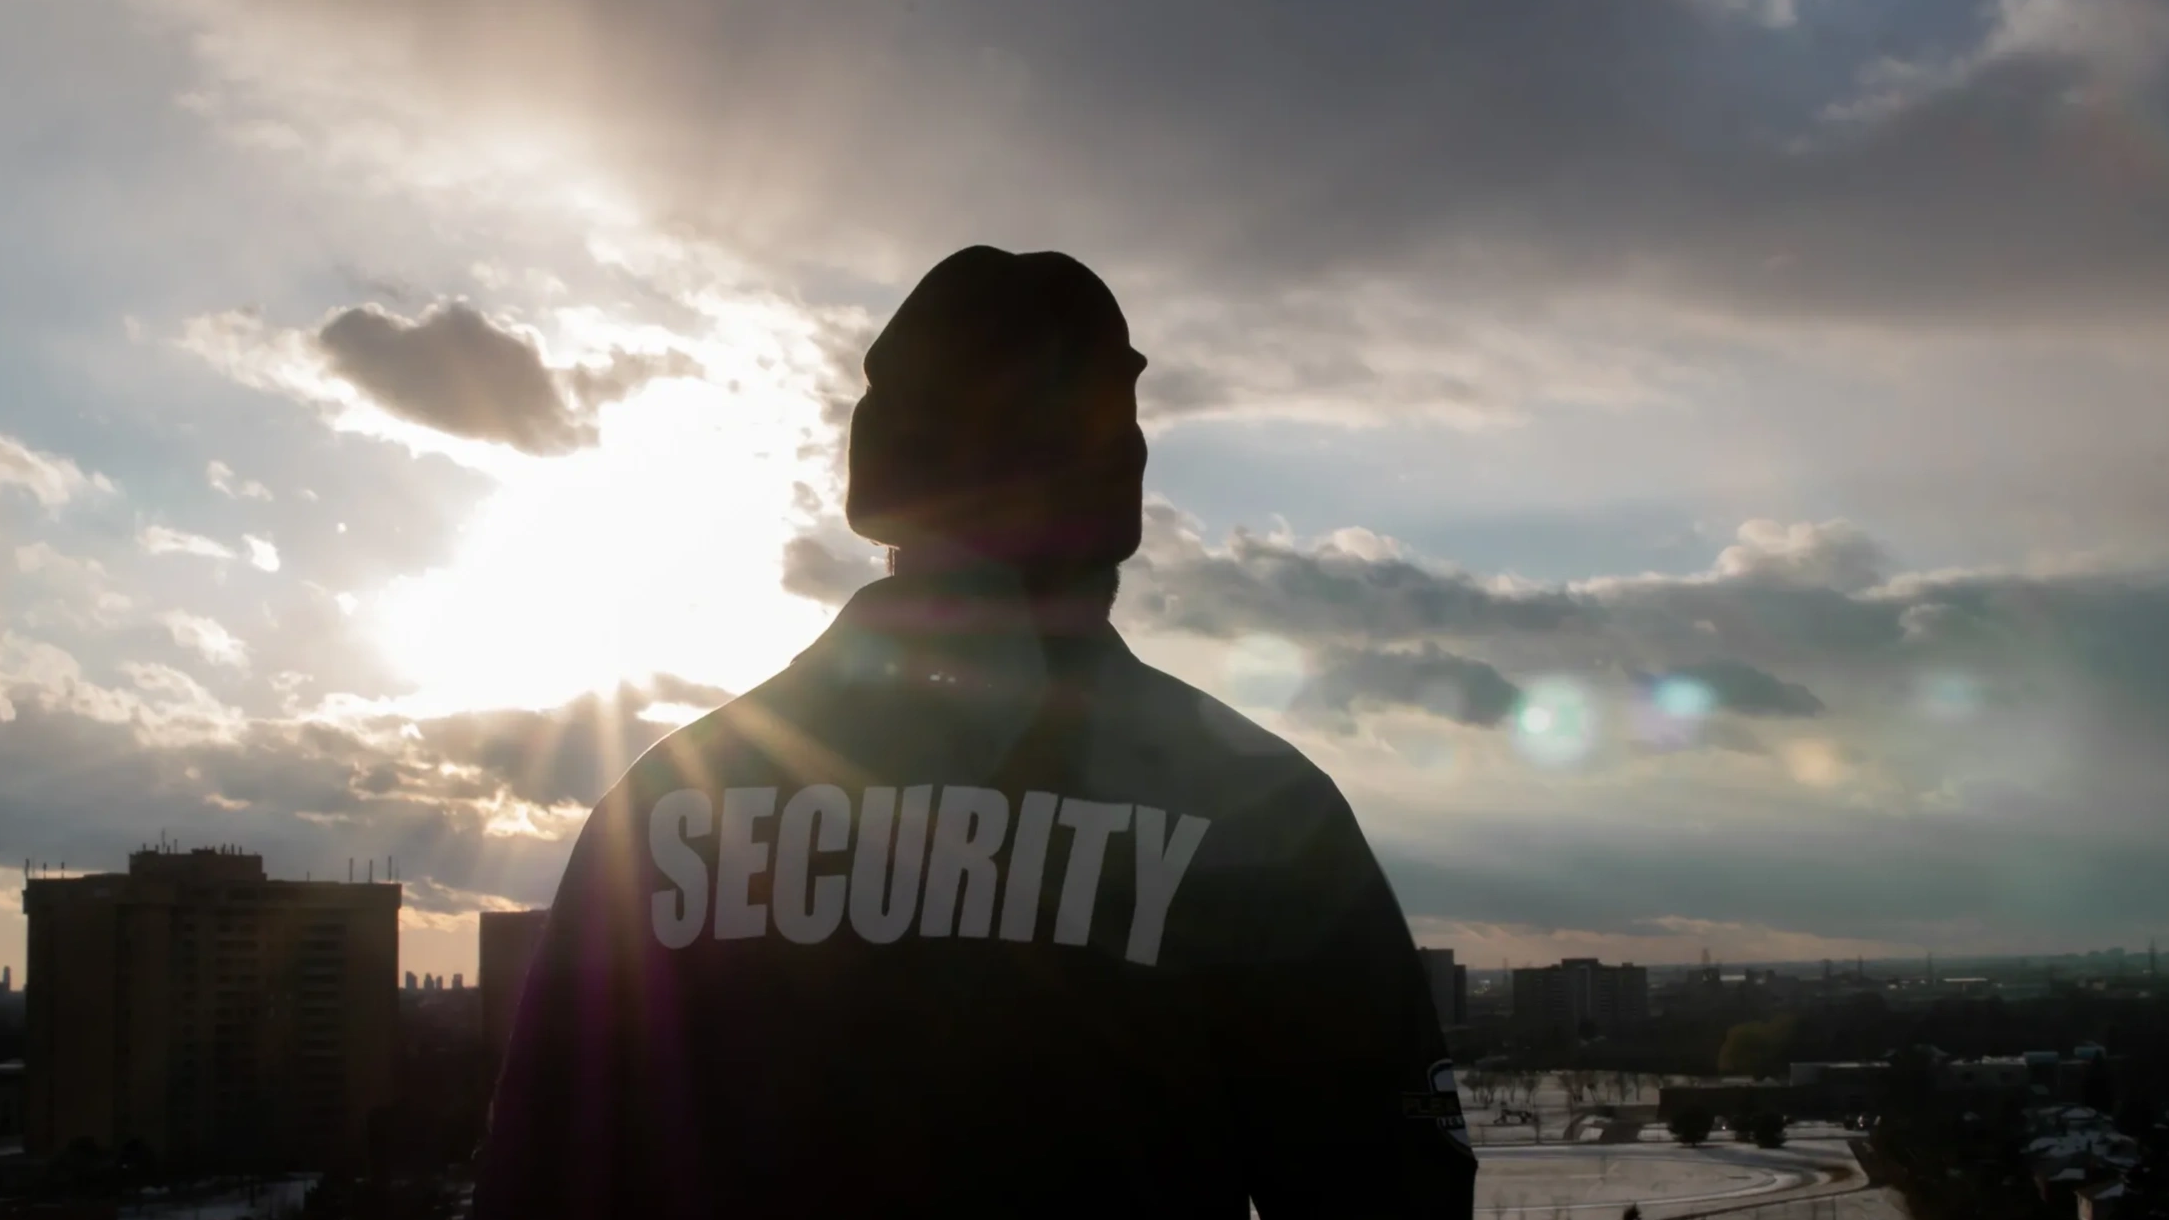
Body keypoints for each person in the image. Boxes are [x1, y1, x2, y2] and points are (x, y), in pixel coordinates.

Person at [472, 246, 1478, 1218]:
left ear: (882, 473)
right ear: (1114, 480)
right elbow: (1391, 1190)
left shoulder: (666, 803)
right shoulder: (1257, 810)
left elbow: (537, 1183)